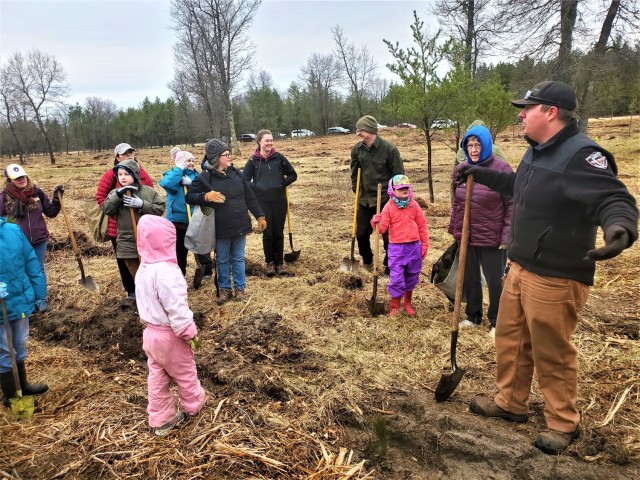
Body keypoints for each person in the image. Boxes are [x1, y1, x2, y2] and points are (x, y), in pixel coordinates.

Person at [457, 81, 638, 455]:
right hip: (521, 266)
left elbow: (612, 196)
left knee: (550, 350)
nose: (521, 114)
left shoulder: (581, 155)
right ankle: (510, 403)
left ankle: (563, 422)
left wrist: (620, 228)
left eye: (529, 108)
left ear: (551, 112)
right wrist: (480, 173)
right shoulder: (537, 152)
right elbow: (518, 184)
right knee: (511, 339)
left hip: (556, 275)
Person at [135, 215, 206, 436]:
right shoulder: (167, 272)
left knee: (157, 378)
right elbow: (177, 309)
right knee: (185, 372)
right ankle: (194, 409)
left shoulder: (142, 270)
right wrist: (190, 334)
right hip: (169, 336)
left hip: (149, 334)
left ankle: (160, 420)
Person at [449, 125, 513, 337]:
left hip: (493, 237)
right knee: (469, 276)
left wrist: (507, 235)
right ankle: (473, 315)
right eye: (469, 145)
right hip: (468, 234)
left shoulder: (501, 169)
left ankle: (497, 320)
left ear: (486, 146)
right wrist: (455, 229)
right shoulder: (461, 169)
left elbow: (512, 204)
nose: (474, 149)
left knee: (495, 281)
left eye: (477, 145)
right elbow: (456, 203)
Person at [186, 139, 266, 304]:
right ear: (216, 157)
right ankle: (224, 290)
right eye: (226, 154)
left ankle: (240, 288)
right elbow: (189, 197)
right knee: (222, 259)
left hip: (240, 223)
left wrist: (260, 215)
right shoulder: (205, 177)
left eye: (229, 154)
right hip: (220, 227)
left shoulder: (236, 173)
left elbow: (249, 196)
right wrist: (206, 196)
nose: (230, 157)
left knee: (238, 258)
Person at [96, 143, 155, 300]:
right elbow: (101, 198)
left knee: (144, 257)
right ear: (117, 157)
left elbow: (151, 193)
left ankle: (148, 289)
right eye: (125, 153)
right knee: (124, 260)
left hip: (141, 224)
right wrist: (116, 208)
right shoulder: (111, 175)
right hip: (118, 228)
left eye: (131, 152)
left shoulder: (142, 173)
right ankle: (131, 290)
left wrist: (141, 205)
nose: (129, 155)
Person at [0, 216, 48, 408]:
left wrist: (39, 294)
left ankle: (23, 384)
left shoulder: (12, 231)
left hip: (19, 298)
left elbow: (31, 262)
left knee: (20, 344)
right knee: (4, 349)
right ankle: (11, 395)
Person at [350, 115, 405, 273]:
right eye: (357, 130)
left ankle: (389, 266)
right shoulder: (357, 150)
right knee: (361, 234)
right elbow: (354, 174)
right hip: (365, 201)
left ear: (370, 130)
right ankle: (367, 261)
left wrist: (396, 197)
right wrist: (357, 190)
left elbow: (399, 176)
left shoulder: (389, 150)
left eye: (360, 130)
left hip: (386, 201)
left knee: (389, 238)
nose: (358, 134)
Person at [370, 175, 429, 316]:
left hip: (414, 248)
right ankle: (395, 306)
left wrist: (425, 244)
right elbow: (382, 229)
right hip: (397, 249)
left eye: (406, 188)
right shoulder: (389, 207)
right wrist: (375, 222)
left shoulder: (414, 205)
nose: (404, 190)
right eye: (400, 188)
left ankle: (407, 303)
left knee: (412, 276)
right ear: (392, 191)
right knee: (396, 278)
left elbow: (422, 226)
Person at [242, 129, 297, 276]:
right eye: (267, 140)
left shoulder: (278, 158)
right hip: (262, 203)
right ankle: (270, 263)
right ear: (259, 141)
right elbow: (245, 181)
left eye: (271, 140)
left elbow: (293, 174)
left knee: (278, 233)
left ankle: (280, 263)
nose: (270, 143)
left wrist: (282, 184)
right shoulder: (253, 161)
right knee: (268, 233)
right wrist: (257, 187)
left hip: (279, 201)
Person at [1, 163, 63, 287]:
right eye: (17, 178)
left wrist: (56, 199)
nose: (21, 179)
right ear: (10, 180)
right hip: (17, 242)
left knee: (39, 269)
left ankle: (41, 298)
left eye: (23, 176)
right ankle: (28, 300)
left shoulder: (36, 192)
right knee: (22, 270)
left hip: (39, 239)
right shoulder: (4, 198)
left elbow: (51, 212)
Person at [102, 160, 165, 279]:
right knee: (138, 276)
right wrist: (118, 196)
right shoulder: (114, 193)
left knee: (152, 274)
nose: (123, 177)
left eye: (126, 174)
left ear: (135, 174)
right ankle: (141, 295)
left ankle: (155, 296)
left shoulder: (148, 192)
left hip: (148, 240)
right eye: (120, 175)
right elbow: (107, 210)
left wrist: (142, 204)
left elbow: (160, 209)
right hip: (128, 241)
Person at [159, 150, 214, 284]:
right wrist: (179, 170)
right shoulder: (172, 175)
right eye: (187, 161)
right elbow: (166, 183)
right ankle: (179, 275)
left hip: (196, 219)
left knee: (200, 247)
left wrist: (192, 184)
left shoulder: (197, 176)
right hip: (177, 221)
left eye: (192, 160)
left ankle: (206, 269)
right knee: (179, 251)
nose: (190, 163)